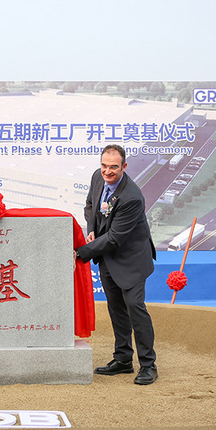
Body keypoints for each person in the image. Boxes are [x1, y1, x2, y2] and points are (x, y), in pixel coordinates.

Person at [75, 144, 158, 385]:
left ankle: (148, 365)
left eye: (113, 167)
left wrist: (80, 253)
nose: (107, 171)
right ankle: (123, 359)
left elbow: (115, 238)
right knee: (116, 309)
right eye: (104, 165)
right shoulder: (97, 177)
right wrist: (90, 230)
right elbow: (90, 206)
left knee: (135, 308)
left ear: (124, 167)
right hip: (107, 255)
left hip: (130, 258)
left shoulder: (131, 197)